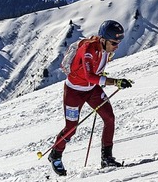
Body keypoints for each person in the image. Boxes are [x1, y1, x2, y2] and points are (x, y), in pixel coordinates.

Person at [48, 20, 134, 176]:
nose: (117, 46)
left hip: (92, 90)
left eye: (119, 42)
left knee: (109, 118)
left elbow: (95, 73)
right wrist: (115, 82)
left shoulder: (106, 49)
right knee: (71, 128)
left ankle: (106, 158)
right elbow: (89, 76)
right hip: (74, 92)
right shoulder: (88, 49)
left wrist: (103, 77)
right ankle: (55, 155)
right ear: (103, 39)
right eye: (114, 42)